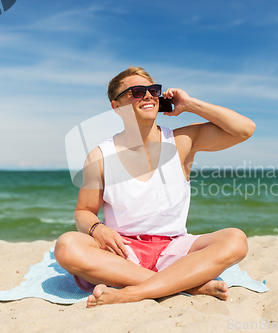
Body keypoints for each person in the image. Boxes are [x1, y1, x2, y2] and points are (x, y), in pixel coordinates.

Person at [54, 66, 256, 307]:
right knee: (67, 245)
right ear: (116, 106)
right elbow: (83, 212)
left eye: (153, 90)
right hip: (122, 254)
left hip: (175, 248)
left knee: (236, 239)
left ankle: (133, 293)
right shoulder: (100, 155)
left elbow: (244, 129)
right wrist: (97, 228)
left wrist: (190, 104)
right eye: (137, 92)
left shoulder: (181, 142)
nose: (148, 96)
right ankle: (189, 285)